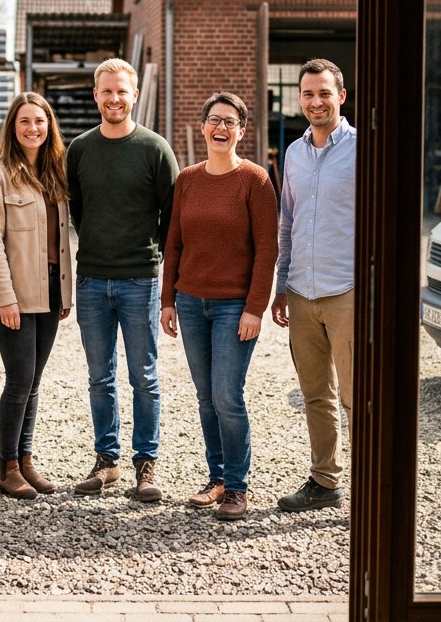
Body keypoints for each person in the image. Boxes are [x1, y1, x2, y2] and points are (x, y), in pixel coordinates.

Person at [159, 92, 278, 521]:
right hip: (191, 303)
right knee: (206, 397)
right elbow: (173, 243)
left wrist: (255, 308)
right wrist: (168, 300)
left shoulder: (255, 180)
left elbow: (267, 249)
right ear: (203, 127)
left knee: (227, 395)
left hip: (234, 308)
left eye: (230, 121)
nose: (221, 128)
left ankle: (238, 487)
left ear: (241, 131)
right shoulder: (187, 180)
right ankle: (217, 478)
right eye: (214, 120)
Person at [66, 58, 179, 502]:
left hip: (139, 280)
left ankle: (145, 465)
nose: (114, 99)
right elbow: (77, 210)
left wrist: (156, 264)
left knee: (144, 377)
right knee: (100, 377)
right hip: (92, 279)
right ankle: (107, 460)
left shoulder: (154, 149)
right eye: (107, 91)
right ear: (96, 95)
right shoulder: (80, 149)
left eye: (122, 91)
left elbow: (172, 218)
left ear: (135, 95)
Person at [0, 93, 73, 499]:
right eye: (24, 122)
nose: (33, 128)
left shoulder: (56, 174)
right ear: (12, 129)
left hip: (50, 288)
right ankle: (7, 468)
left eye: (40, 121)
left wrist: (65, 292)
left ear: (49, 127)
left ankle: (26, 459)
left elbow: (62, 239)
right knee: (18, 379)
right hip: (14, 293)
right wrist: (5, 298)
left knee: (34, 381)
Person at [271, 58, 357, 513]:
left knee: (356, 397)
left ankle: (368, 489)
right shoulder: (294, 154)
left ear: (341, 96)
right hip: (302, 292)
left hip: (347, 290)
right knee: (316, 395)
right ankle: (325, 481)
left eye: (324, 93)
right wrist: (281, 283)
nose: (316, 102)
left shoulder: (363, 150)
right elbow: (288, 221)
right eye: (308, 94)